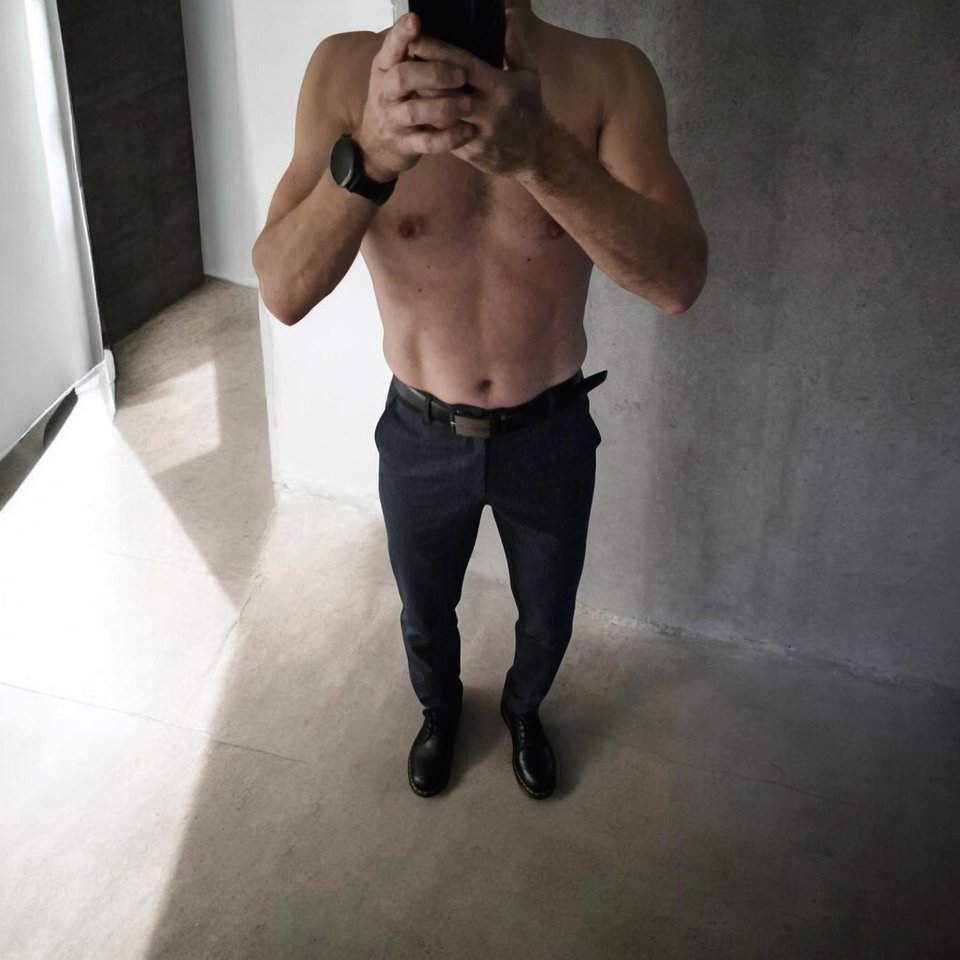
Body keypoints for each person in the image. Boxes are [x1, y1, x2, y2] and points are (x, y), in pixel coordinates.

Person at [251, 0, 708, 800]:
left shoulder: (609, 77)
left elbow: (677, 280)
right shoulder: (344, 75)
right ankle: (440, 711)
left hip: (550, 429)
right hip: (420, 429)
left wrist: (541, 155)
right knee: (425, 612)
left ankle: (524, 710)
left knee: (548, 616)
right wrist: (373, 155)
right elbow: (283, 289)